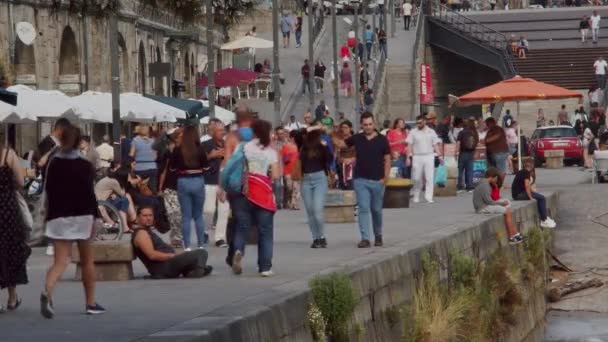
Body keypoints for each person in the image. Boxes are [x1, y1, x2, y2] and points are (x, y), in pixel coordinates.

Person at [42, 124, 105, 318]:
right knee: (87, 261)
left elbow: (48, 192)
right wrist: (97, 216)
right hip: (83, 216)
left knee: (60, 261)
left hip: (58, 216)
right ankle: (90, 303)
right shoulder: (85, 165)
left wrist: (47, 216)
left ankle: (48, 292)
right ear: (80, 142)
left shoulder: (53, 164)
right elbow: (89, 194)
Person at [231, 120, 279, 277]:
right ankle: (265, 267)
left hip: (244, 191)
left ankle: (238, 250)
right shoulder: (271, 151)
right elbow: (277, 175)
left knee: (242, 226)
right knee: (265, 231)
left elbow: (233, 165)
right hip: (262, 192)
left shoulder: (244, 147)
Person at [343, 112, 390, 248]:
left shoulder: (382, 139)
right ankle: (365, 238)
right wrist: (329, 134)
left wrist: (385, 178)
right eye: (365, 125)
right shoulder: (357, 138)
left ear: (374, 124)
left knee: (376, 209)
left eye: (370, 124)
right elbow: (342, 144)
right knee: (363, 208)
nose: (368, 127)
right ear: (361, 125)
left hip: (378, 180)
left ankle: (378, 235)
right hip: (360, 179)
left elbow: (387, 159)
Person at [131, 206, 212, 279]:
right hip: (164, 267)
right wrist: (172, 256)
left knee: (191, 257)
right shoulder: (141, 234)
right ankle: (198, 271)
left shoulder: (147, 231)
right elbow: (152, 255)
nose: (148, 218)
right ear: (138, 218)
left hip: (167, 265)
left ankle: (192, 270)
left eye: (150, 215)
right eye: (145, 216)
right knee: (202, 252)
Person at [220, 105, 255, 269]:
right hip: (255, 183)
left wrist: (222, 186)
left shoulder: (232, 137)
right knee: (244, 220)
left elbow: (226, 163)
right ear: (250, 117)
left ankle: (234, 251)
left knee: (237, 218)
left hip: (236, 184)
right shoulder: (258, 135)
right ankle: (237, 250)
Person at [0, 141, 31, 313]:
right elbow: (20, 181)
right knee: (10, 249)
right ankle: (12, 299)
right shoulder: (8, 154)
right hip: (7, 209)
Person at [170, 125, 208, 251]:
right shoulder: (200, 149)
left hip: (183, 181)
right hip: (198, 180)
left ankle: (187, 246)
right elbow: (206, 167)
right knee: (198, 215)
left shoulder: (178, 149)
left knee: (186, 215)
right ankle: (201, 244)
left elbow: (172, 168)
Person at [300, 128, 332, 248]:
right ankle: (315, 238)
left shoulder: (321, 147)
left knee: (317, 210)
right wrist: (311, 128)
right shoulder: (304, 147)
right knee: (310, 212)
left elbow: (330, 160)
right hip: (306, 180)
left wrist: (327, 147)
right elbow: (300, 132)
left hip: (320, 179)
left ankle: (322, 236)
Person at [473, 167, 522, 245]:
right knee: (507, 211)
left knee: (507, 210)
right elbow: (489, 202)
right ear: (494, 177)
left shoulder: (483, 183)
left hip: (482, 206)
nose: (497, 180)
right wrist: (502, 204)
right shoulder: (485, 185)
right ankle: (512, 236)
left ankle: (514, 233)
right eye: (496, 179)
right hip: (482, 207)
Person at [202, 121, 229, 248]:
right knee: (209, 210)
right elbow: (198, 161)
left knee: (224, 211)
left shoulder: (227, 145)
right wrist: (211, 156)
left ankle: (220, 238)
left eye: (223, 130)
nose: (222, 132)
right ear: (212, 132)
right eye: (219, 130)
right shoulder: (205, 145)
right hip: (209, 181)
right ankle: (205, 231)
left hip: (224, 182)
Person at [407, 115, 442, 204]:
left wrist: (440, 156)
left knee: (429, 177)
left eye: (420, 122)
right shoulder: (413, 132)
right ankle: (416, 195)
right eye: (417, 122)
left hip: (429, 155)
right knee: (416, 177)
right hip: (417, 156)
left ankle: (429, 197)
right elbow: (409, 145)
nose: (418, 124)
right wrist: (408, 157)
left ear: (425, 122)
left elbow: (435, 144)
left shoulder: (431, 132)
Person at [511, 159, 556, 229]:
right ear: (531, 166)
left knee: (539, 197)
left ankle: (545, 217)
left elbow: (527, 186)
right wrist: (530, 197)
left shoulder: (521, 171)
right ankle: (544, 219)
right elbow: (527, 185)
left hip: (516, 194)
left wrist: (534, 193)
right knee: (542, 198)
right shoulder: (526, 173)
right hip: (519, 195)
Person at [158, 127, 183, 248]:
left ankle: (178, 237)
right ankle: (176, 237)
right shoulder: (168, 152)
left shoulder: (185, 151)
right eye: (180, 137)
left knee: (180, 213)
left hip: (183, 185)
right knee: (174, 213)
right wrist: (160, 187)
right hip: (170, 185)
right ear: (175, 138)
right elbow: (163, 171)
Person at [95, 167, 137, 233]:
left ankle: (128, 223)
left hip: (101, 203)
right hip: (101, 205)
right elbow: (122, 193)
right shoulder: (114, 182)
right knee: (124, 199)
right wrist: (129, 182)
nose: (129, 178)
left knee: (123, 200)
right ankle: (131, 220)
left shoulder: (110, 179)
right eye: (128, 176)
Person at [130, 125, 158, 193]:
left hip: (139, 168)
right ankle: (153, 200)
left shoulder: (135, 141)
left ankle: (141, 200)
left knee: (139, 189)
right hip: (152, 168)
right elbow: (155, 157)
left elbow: (131, 154)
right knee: (152, 189)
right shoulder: (153, 141)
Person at [457, 119, 479, 192]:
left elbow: (458, 143)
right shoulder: (474, 133)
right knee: (469, 170)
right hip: (471, 153)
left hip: (462, 153)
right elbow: (476, 143)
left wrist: (457, 152)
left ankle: (460, 186)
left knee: (460, 170)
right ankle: (469, 186)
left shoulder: (461, 132)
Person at [333, 120, 356, 189]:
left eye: (346, 127)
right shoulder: (339, 140)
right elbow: (336, 153)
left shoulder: (355, 139)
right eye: (342, 127)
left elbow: (359, 153)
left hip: (353, 165)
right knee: (342, 186)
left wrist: (352, 159)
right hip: (341, 164)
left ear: (350, 128)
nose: (344, 129)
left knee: (351, 185)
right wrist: (342, 159)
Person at [281, 131, 300, 210]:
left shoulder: (300, 146)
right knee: (289, 187)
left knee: (296, 188)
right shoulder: (286, 146)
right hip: (287, 170)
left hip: (297, 170)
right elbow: (282, 158)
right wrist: (287, 157)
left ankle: (294, 204)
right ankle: (287, 201)